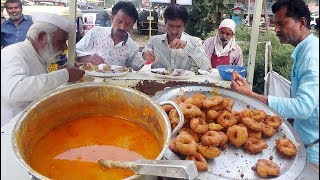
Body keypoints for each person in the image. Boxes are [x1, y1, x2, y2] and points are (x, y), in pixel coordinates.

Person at [231, 0, 319, 164]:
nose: (276, 29)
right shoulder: (305, 50)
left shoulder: (312, 56)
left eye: (282, 23)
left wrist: (250, 95)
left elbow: (304, 107)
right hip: (302, 139)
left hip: (313, 150)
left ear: (302, 22)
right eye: (274, 23)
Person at [1, 12, 85, 127]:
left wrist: (60, 72)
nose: (64, 47)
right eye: (60, 41)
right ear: (41, 37)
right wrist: (65, 75)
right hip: (12, 126)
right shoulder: (13, 52)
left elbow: (36, 82)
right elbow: (14, 91)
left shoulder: (36, 55)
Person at [132, 4, 211, 72]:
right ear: (165, 24)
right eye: (171, 26)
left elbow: (206, 67)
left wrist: (187, 46)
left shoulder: (194, 41)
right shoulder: (154, 41)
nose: (174, 31)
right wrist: (143, 57)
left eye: (178, 26)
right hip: (159, 85)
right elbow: (135, 67)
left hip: (183, 86)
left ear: (184, 26)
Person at [76, 1, 139, 68]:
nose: (122, 27)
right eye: (119, 22)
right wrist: (87, 58)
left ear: (132, 26)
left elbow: (130, 70)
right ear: (112, 19)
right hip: (92, 77)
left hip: (116, 78)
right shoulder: (95, 32)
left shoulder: (133, 48)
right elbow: (73, 52)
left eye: (128, 24)